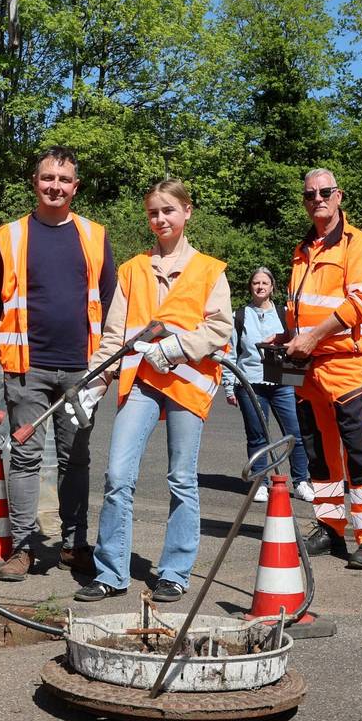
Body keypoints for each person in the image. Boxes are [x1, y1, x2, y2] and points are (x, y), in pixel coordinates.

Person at [73, 179, 232, 603]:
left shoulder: (209, 270)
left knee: (182, 479)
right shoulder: (132, 270)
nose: (160, 219)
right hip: (141, 381)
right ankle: (111, 572)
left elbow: (219, 329)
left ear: (186, 212)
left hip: (186, 384)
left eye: (168, 211)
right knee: (118, 476)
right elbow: (114, 336)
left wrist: (177, 348)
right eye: (153, 213)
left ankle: (175, 572)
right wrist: (94, 381)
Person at [0, 146, 116, 581]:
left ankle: (74, 545)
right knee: (24, 457)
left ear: (75, 187)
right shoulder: (10, 236)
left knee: (76, 458)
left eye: (64, 180)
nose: (55, 186)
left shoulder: (95, 236)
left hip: (82, 368)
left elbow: (112, 303)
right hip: (27, 366)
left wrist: (104, 367)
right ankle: (22, 548)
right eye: (47, 178)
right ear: (35, 182)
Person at [285, 168, 362, 570]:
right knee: (319, 457)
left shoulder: (358, 244)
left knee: (359, 452)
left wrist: (311, 338)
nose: (318, 199)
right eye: (310, 195)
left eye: (325, 192)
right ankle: (330, 528)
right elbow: (303, 307)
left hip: (344, 366)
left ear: (339, 195)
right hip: (307, 368)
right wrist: (290, 336)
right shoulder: (302, 248)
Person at [223, 267, 314, 504]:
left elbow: (300, 345)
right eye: (256, 283)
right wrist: (228, 385)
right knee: (257, 436)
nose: (260, 287)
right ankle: (260, 482)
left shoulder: (286, 314)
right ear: (250, 287)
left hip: (283, 382)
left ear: (272, 287)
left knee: (295, 432)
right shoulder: (239, 316)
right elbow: (231, 353)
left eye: (265, 283)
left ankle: (301, 480)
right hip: (250, 382)